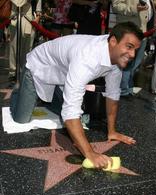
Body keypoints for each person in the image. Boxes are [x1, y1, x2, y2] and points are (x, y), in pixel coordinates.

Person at [10, 22, 143, 168]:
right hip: (39, 66)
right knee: (21, 119)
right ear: (112, 41)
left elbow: (112, 95)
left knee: (65, 116)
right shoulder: (87, 58)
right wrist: (90, 154)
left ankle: (42, 96)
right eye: (129, 47)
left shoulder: (116, 58)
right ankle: (18, 91)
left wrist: (112, 131)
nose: (132, 55)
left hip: (62, 76)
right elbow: (71, 113)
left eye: (135, 49)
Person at [111, 0, 155, 96]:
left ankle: (128, 87)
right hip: (129, 31)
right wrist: (135, 9)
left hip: (143, 31)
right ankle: (122, 90)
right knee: (126, 62)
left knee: (135, 63)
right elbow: (116, 6)